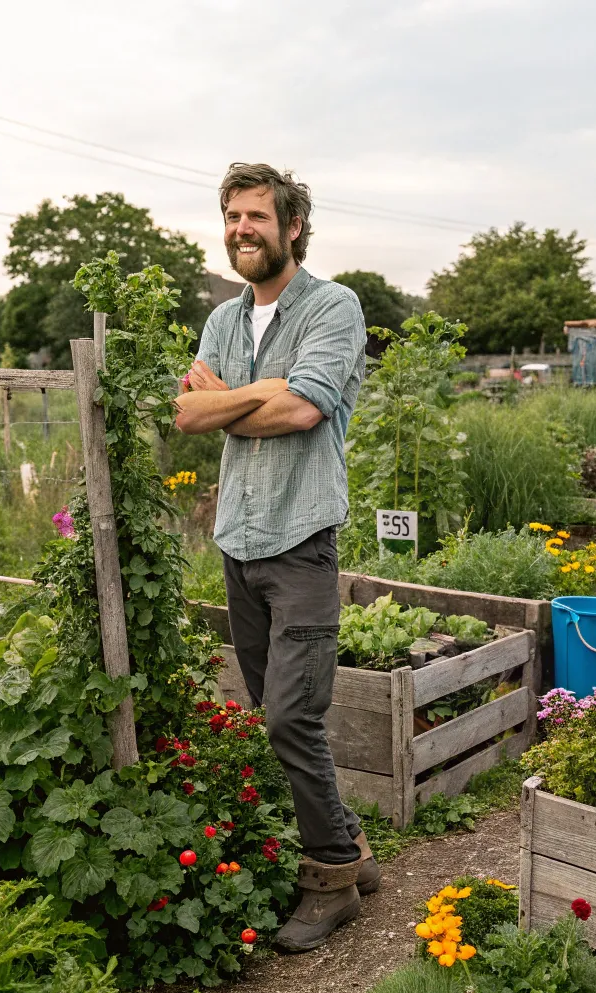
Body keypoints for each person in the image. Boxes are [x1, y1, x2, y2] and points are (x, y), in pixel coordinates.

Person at [174, 162, 375, 951]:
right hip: (238, 543)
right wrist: (259, 397)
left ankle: (329, 876)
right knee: (274, 715)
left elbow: (303, 409)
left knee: (294, 716)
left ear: (292, 227)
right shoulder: (223, 321)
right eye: (231, 216)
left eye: (256, 216)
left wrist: (244, 401)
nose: (241, 229)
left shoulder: (333, 307)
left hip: (300, 542)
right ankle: (355, 847)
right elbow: (189, 415)